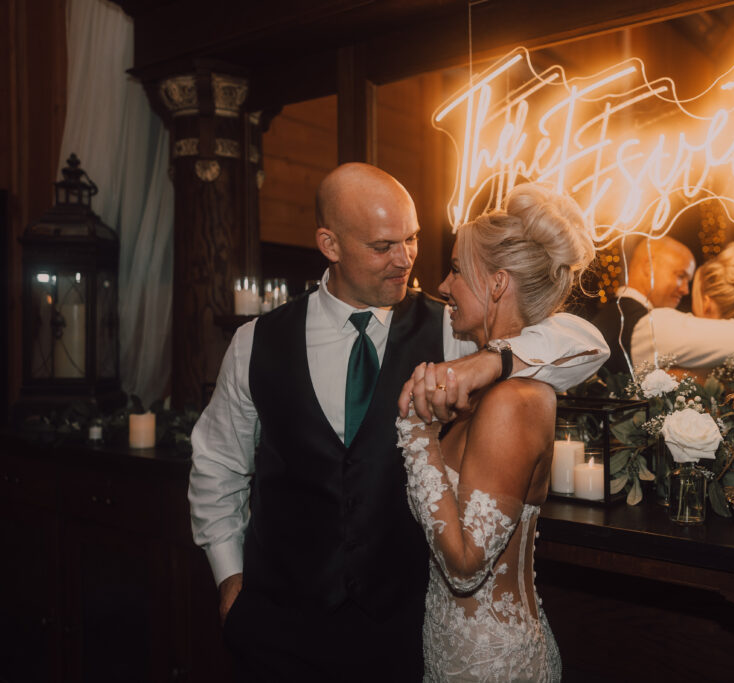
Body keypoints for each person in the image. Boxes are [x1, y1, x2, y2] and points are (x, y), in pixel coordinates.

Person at [187, 163, 608, 681]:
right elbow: (216, 466)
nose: (405, 259)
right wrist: (229, 581)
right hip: (278, 631)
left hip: (401, 638)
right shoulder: (255, 342)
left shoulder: (454, 332)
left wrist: (489, 360)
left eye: (411, 239)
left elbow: (584, 343)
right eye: (383, 246)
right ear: (330, 244)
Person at [396, 183, 593, 681]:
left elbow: (466, 566)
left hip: (494, 663)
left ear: (499, 283)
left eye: (458, 270)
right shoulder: (484, 384)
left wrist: (417, 433)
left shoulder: (514, 399)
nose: (443, 285)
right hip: (450, 650)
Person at [631, 241, 734, 372]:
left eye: (691, 286)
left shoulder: (661, 324)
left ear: (707, 302)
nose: (686, 291)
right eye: (680, 276)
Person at [589, 236, 695, 374]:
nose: (685, 290)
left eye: (689, 281)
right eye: (681, 276)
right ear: (648, 266)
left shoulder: (610, 315)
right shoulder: (643, 322)